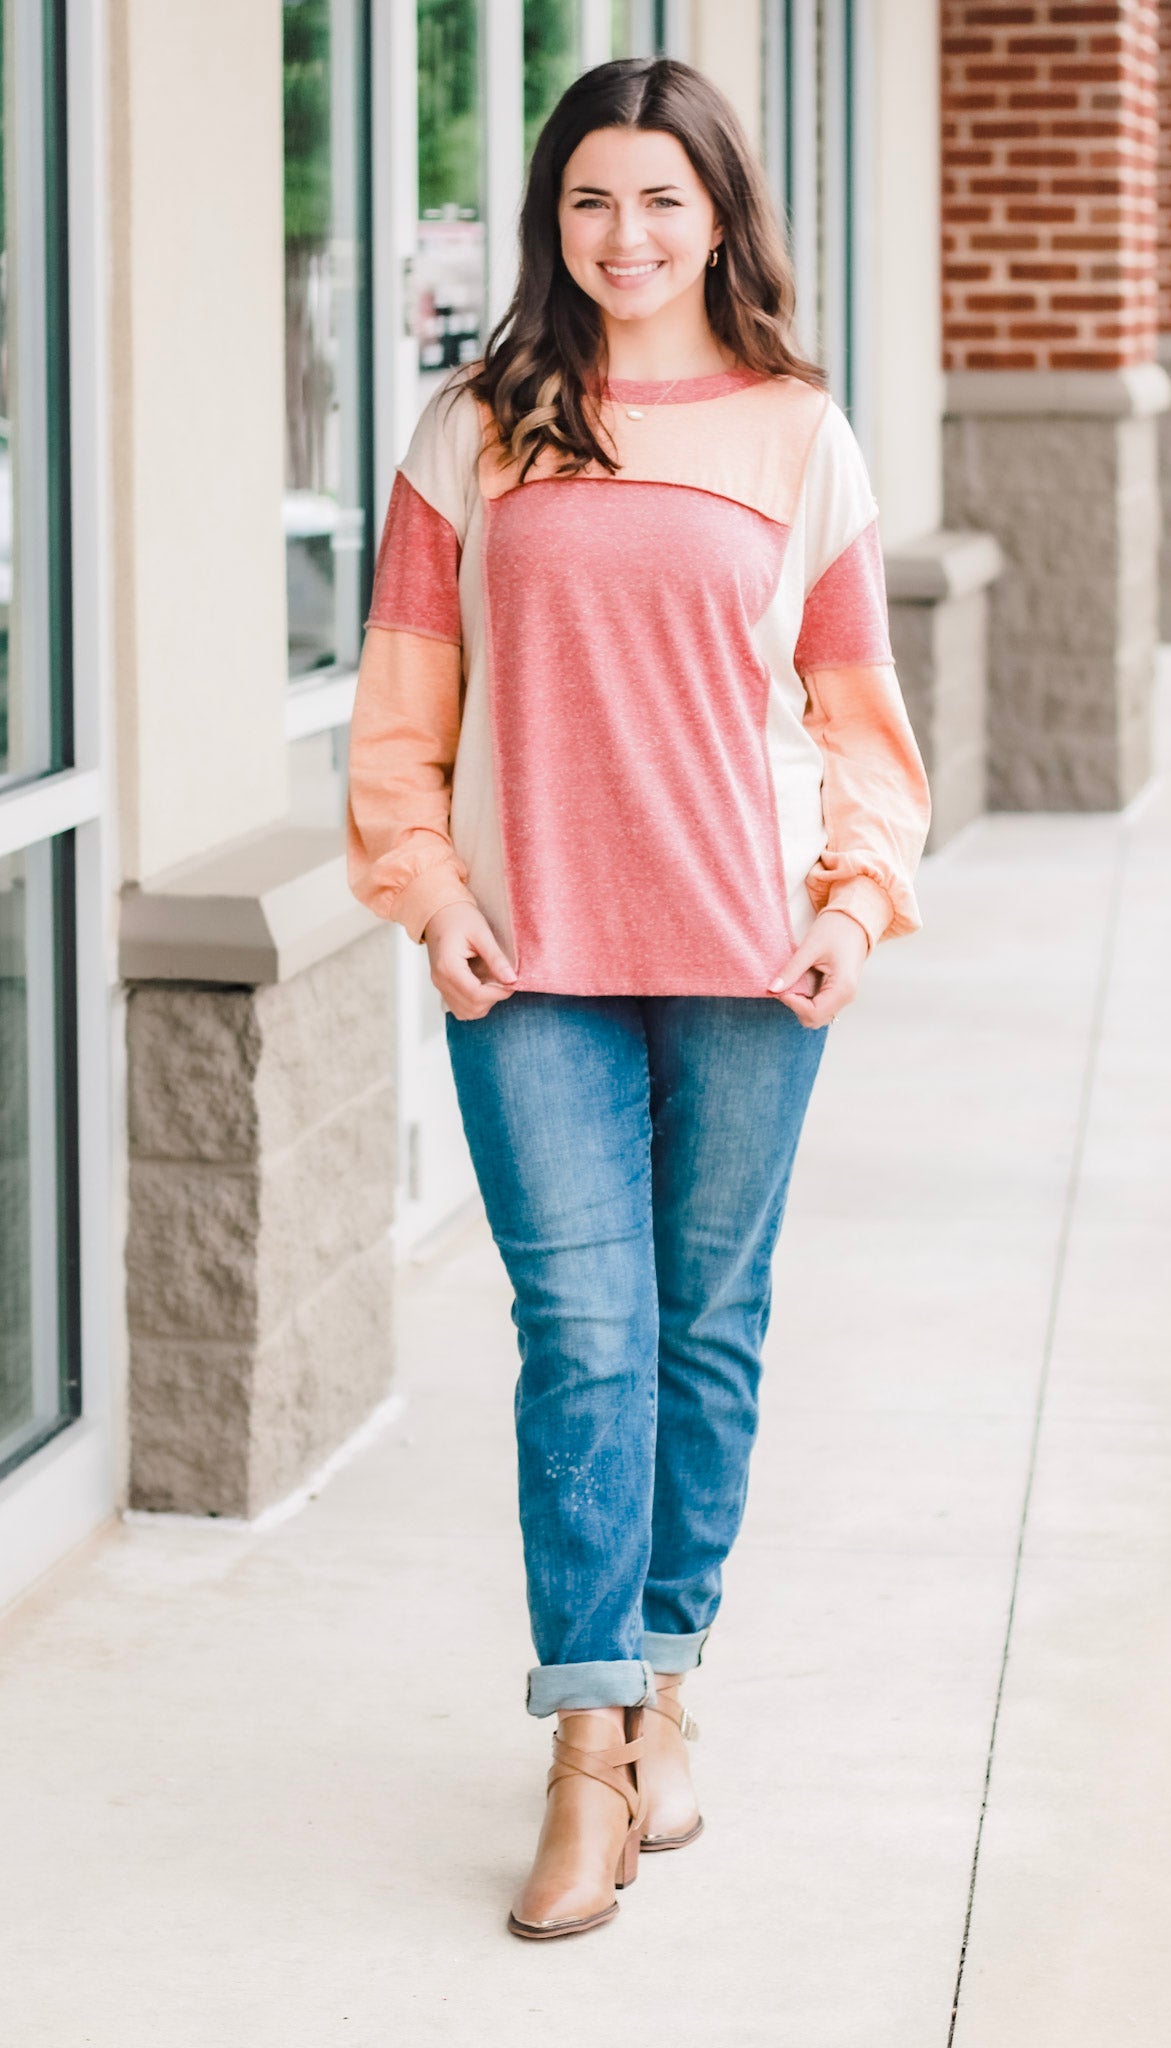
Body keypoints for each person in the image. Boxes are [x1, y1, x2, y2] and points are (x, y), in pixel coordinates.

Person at [346, 55, 931, 1941]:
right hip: (528, 957)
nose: (626, 234)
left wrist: (856, 906)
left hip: (752, 952)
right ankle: (586, 1754)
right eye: (591, 199)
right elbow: (400, 712)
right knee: (586, 1335)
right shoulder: (474, 430)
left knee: (706, 1329)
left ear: (719, 217)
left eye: (663, 199)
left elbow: (860, 724)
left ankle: (667, 1684)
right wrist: (428, 891)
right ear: (553, 219)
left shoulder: (798, 434)